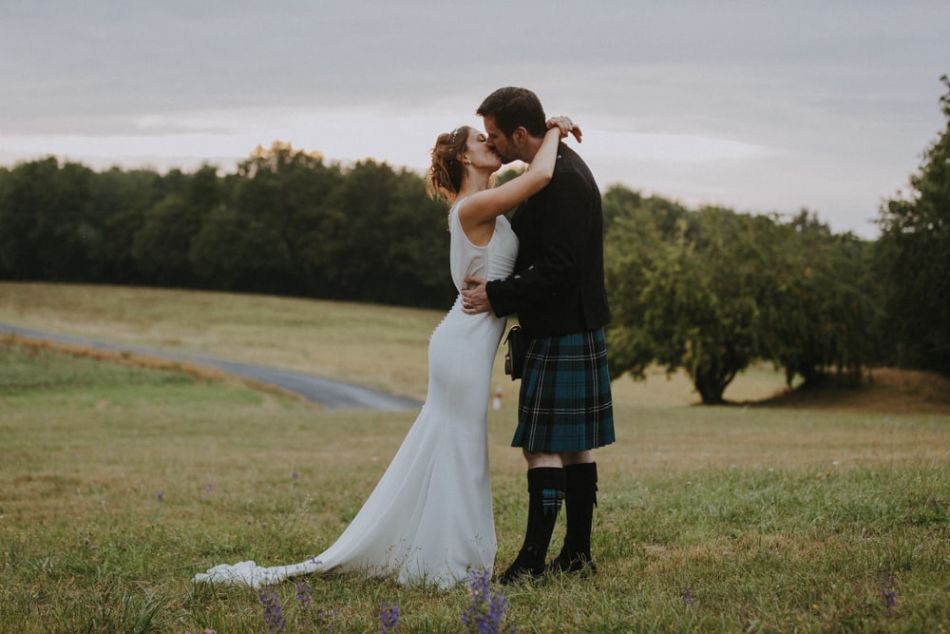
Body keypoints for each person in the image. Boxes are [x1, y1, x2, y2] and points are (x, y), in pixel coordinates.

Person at [192, 115, 579, 590]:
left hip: (469, 341)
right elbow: (539, 175)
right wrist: (556, 128)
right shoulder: (472, 206)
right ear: (464, 157)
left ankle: (445, 552)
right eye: (483, 140)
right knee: (460, 447)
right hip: (462, 346)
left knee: (456, 445)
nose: (492, 143)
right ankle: (447, 561)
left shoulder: (487, 206)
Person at [461, 87, 615, 584]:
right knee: (573, 446)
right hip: (568, 324)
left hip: (563, 324)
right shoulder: (551, 168)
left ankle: (532, 561)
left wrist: (498, 296)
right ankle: (575, 554)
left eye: (495, 136)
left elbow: (560, 267)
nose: (493, 144)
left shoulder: (564, 180)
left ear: (520, 134)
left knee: (542, 447)